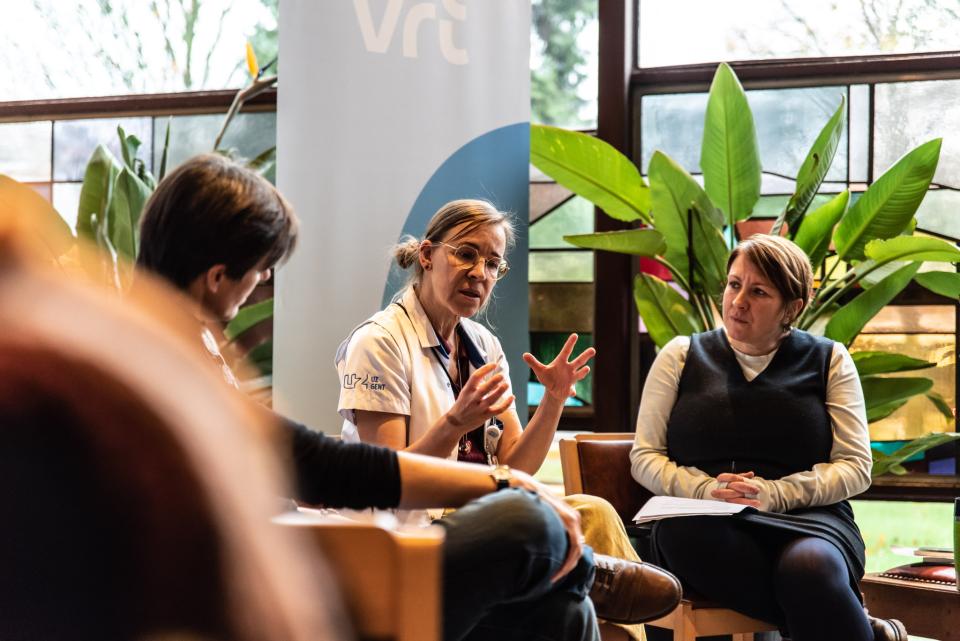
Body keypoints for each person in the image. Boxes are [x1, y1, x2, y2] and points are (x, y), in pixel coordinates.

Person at [135, 154, 679, 641]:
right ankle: (585, 569)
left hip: (311, 552)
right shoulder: (167, 368)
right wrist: (488, 464)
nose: (263, 280)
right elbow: (357, 474)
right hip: (368, 547)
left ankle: (576, 575)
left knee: (562, 612)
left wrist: (548, 410)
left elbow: (308, 465)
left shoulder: (187, 352)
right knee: (530, 520)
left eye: (493, 263)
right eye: (261, 269)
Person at [335, 199, 681, 638]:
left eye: (493, 263)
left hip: (480, 517)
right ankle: (590, 575)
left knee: (587, 538)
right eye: (466, 253)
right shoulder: (379, 343)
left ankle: (589, 583)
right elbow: (390, 484)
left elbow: (517, 464)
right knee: (555, 535)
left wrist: (554, 399)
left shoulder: (482, 344)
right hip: (411, 535)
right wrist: (455, 423)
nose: (479, 272)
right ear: (427, 255)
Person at [0, 240, 346, 641]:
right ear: (216, 276)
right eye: (261, 268)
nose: (266, 277)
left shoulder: (79, 367)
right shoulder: (117, 356)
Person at [629, 234, 907, 641]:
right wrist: (705, 489)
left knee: (810, 567)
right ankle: (859, 626)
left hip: (808, 520)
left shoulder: (829, 360)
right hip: (704, 520)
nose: (738, 301)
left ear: (792, 308)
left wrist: (775, 494)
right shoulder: (681, 355)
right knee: (680, 535)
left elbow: (856, 467)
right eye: (734, 284)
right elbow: (645, 456)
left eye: (758, 292)